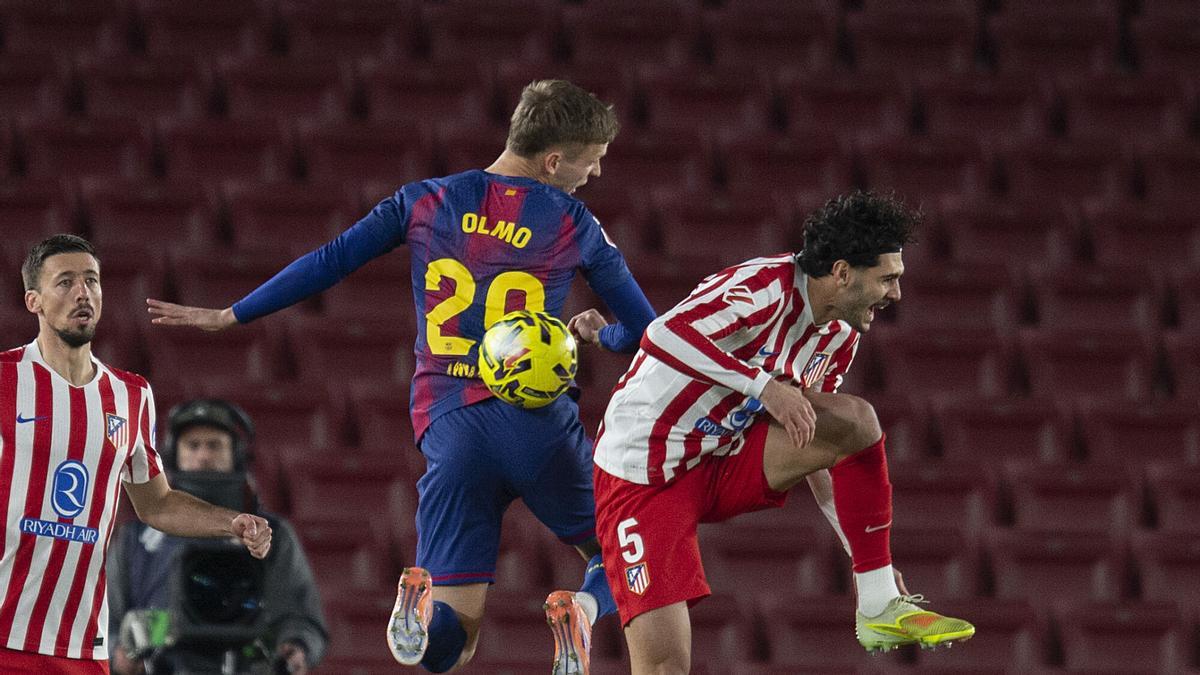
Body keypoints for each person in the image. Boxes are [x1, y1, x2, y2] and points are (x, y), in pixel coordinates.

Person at [145, 79, 657, 674]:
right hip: (538, 426)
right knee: (623, 546)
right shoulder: (574, 223)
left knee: (450, 647)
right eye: (590, 163)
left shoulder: (425, 199)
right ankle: (583, 612)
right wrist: (601, 335)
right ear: (552, 160)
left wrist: (233, 312)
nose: (592, 176)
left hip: (450, 426)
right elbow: (648, 330)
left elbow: (332, 259)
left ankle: (417, 611)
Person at [591, 191, 976, 673]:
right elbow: (661, 335)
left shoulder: (839, 333)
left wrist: (858, 552)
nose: (896, 293)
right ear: (842, 272)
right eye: (888, 278)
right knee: (666, 667)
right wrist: (765, 387)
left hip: (723, 457)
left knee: (855, 422)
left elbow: (823, 446)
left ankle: (878, 603)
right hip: (644, 472)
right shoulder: (763, 288)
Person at [0, 234, 272, 675]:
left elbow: (157, 503)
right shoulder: (5, 380)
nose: (83, 293)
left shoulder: (130, 395)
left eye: (92, 280)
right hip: (5, 634)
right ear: (34, 300)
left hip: (83, 647)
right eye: (65, 282)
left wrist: (231, 522)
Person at [107, 398, 328, 675]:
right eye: (193, 445)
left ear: (236, 454)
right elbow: (101, 624)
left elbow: (302, 618)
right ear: (173, 454)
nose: (203, 456)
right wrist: (121, 653)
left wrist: (296, 648)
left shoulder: (271, 535)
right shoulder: (135, 541)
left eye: (214, 445)